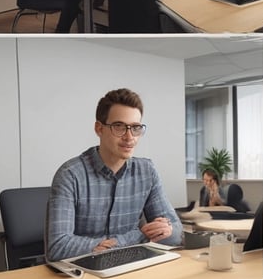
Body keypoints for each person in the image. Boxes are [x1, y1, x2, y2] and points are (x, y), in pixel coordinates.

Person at [46, 88, 182, 261]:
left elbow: (177, 235)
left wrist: (166, 230)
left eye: (135, 127)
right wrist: (138, 236)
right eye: (119, 126)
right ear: (99, 128)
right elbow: (58, 247)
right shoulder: (70, 175)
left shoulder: (147, 171)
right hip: (83, 273)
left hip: (131, 268)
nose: (129, 137)